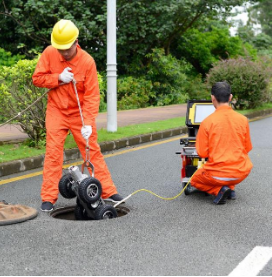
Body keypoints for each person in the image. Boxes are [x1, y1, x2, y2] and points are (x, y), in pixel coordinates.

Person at [32, 19, 123, 212]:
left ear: (76, 42)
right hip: (56, 111)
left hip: (79, 115)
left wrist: (88, 123)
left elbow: (92, 95)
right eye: (60, 48)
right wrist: (57, 78)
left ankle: (108, 191)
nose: (63, 52)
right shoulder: (49, 53)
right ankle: (48, 197)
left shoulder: (87, 61)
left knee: (92, 152)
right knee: (53, 154)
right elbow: (37, 79)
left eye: (67, 48)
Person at [190, 81, 253, 204]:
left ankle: (220, 189)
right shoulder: (243, 120)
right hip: (241, 173)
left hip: (217, 175)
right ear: (230, 97)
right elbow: (247, 148)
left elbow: (202, 153)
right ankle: (231, 188)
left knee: (194, 180)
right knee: (231, 166)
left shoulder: (207, 122)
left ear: (212, 98)